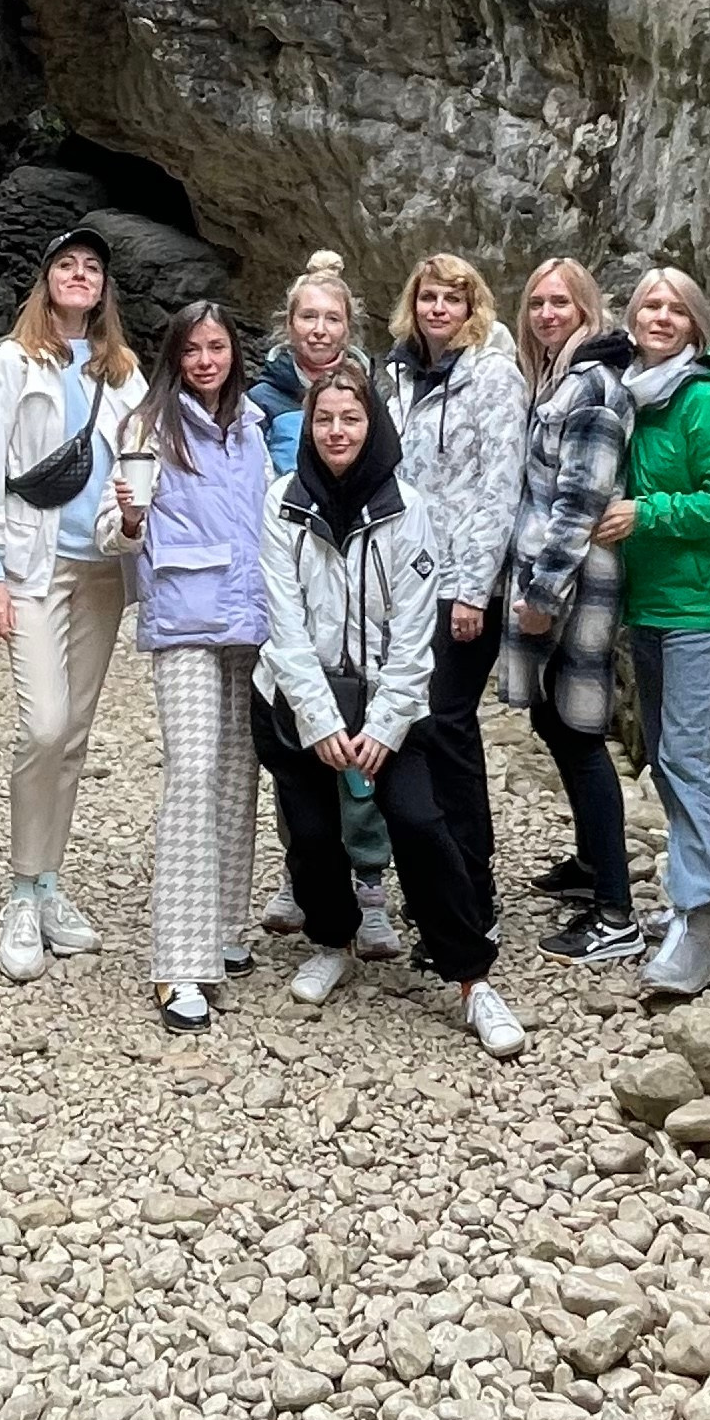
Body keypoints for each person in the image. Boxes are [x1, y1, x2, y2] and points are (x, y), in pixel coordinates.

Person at [259, 359, 525, 1057]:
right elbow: (282, 624)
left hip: (389, 704)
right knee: (312, 834)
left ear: (372, 423)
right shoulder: (283, 501)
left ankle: (472, 978)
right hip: (300, 698)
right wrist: (319, 722)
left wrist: (383, 725)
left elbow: (415, 632)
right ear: (308, 426)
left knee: (419, 821)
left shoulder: (408, 508)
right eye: (324, 419)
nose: (337, 431)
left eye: (351, 418)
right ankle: (333, 938)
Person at [0, 224, 144, 982]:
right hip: (32, 568)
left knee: (74, 735)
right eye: (66, 265)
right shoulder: (9, 365)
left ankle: (49, 883)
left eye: (90, 268)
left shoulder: (122, 372)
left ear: (103, 289)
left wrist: (136, 525)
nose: (78, 276)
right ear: (46, 281)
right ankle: (19, 894)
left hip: (101, 570)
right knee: (43, 724)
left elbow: (141, 465)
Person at [105, 300, 269, 1032]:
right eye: (193, 350)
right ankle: (178, 960)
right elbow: (113, 530)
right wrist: (131, 519)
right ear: (173, 356)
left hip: (250, 619)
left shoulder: (254, 429)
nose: (207, 360)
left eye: (217, 347)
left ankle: (226, 930)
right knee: (194, 772)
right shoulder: (147, 426)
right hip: (184, 620)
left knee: (238, 774)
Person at [595, 266, 710, 999]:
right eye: (648, 306)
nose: (660, 317)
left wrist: (646, 513)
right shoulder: (636, 398)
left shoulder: (703, 402)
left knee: (687, 758)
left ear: (695, 324)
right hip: (652, 605)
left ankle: (690, 926)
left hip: (699, 609)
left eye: (675, 309)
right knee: (673, 755)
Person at [251, 249, 400, 957]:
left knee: (362, 745)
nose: (319, 328)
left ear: (350, 323)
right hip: (290, 573)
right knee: (298, 740)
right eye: (307, 316)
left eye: (331, 316)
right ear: (289, 324)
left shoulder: (373, 395)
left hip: (361, 577)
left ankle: (370, 883)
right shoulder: (260, 399)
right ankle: (304, 871)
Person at [500, 257, 642, 964]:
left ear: (588, 307)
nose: (547, 314)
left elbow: (580, 502)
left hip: (572, 583)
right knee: (554, 719)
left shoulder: (589, 386)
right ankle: (591, 868)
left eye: (561, 302)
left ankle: (616, 913)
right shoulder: (559, 377)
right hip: (560, 578)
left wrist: (540, 595)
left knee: (580, 732)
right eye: (536, 304)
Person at [382, 252, 526, 937]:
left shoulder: (494, 378)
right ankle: (432, 886)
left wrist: (474, 589)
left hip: (463, 584)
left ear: (474, 310)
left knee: (447, 725)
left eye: (453, 299)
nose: (439, 309)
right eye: (429, 297)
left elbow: (500, 486)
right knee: (413, 725)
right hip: (407, 582)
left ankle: (475, 889)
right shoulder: (399, 377)